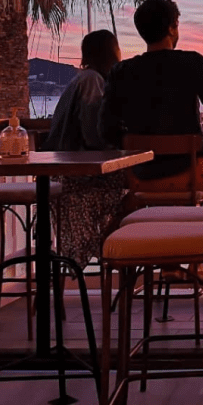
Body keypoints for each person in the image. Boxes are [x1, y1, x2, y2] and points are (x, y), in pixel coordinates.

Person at [100, 0, 203, 186]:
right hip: (191, 177)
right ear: (171, 28)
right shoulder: (193, 63)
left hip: (140, 180)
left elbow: (106, 129)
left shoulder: (121, 72)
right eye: (176, 25)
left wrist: (132, 144)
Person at [43, 29, 128, 267]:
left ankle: (106, 248)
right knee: (137, 191)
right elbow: (94, 136)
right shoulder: (92, 81)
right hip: (79, 174)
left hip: (67, 170)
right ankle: (112, 250)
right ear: (111, 53)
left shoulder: (84, 79)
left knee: (135, 191)